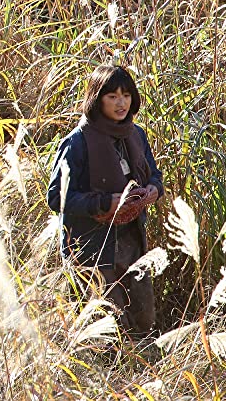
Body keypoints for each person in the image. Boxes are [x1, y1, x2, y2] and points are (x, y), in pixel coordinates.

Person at [46, 64, 164, 337]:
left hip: (131, 241)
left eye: (126, 95)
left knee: (143, 319)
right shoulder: (76, 143)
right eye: (112, 96)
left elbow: (154, 174)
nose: (121, 103)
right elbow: (56, 197)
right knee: (106, 328)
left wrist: (154, 190)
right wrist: (104, 203)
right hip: (92, 247)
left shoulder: (136, 135)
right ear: (97, 100)